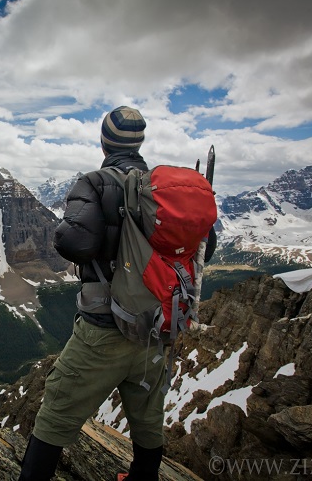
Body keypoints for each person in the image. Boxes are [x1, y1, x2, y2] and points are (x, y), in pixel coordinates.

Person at [18, 106, 215, 481]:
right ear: (139, 142)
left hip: (103, 329)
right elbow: (205, 245)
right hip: (155, 326)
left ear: (105, 141)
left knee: (57, 409)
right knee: (147, 411)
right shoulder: (163, 192)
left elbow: (74, 242)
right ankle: (142, 477)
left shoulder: (94, 182)